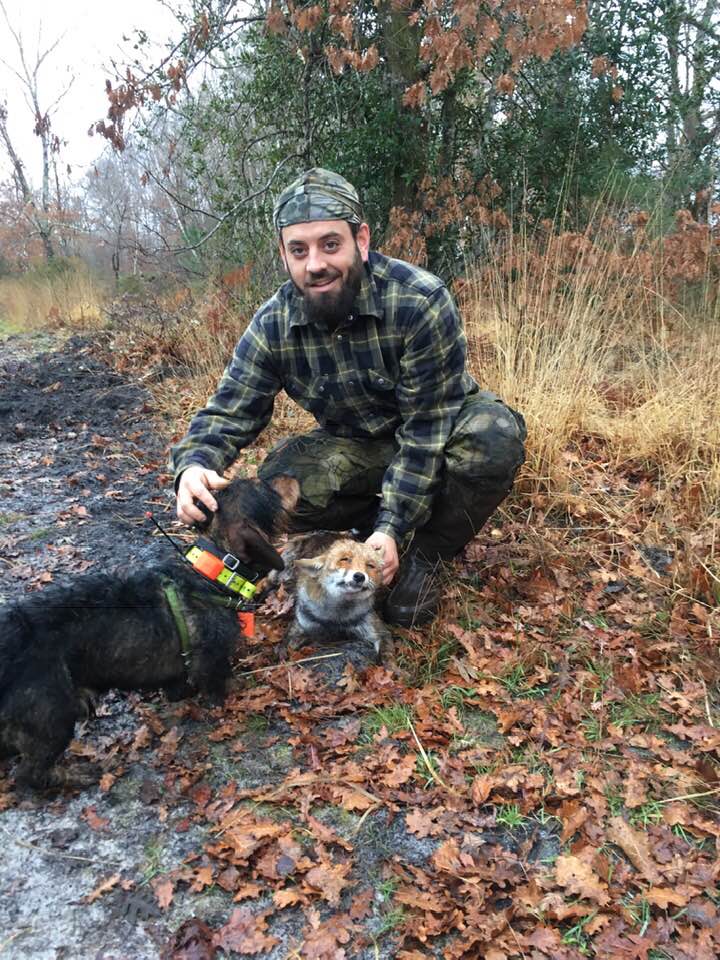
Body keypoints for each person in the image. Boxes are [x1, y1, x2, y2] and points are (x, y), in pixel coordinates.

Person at [171, 168, 526, 628]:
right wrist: (194, 464)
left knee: (493, 439)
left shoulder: (418, 300)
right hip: (360, 444)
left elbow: (423, 434)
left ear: (361, 240)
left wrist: (393, 526)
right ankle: (361, 538)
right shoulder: (273, 323)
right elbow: (230, 408)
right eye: (299, 250)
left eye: (329, 244)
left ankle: (427, 552)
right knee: (284, 478)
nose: (314, 263)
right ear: (284, 255)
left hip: (440, 429)